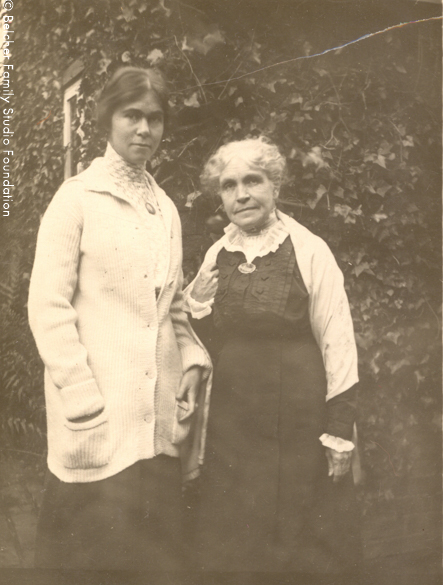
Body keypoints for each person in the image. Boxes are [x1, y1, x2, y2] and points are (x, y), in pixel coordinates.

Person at [28, 67, 211, 571]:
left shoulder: (166, 210)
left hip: (155, 430)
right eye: (132, 115)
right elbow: (48, 307)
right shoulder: (76, 199)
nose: (144, 130)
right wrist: (83, 398)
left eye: (155, 119)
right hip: (99, 418)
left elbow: (172, 307)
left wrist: (193, 360)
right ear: (107, 118)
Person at [184, 136, 361, 575]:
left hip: (297, 420)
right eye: (229, 185)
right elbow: (203, 342)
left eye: (252, 180)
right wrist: (198, 308)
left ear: (274, 186)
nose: (241, 194)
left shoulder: (308, 248)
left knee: (295, 540)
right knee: (235, 539)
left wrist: (339, 429)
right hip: (233, 424)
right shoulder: (215, 255)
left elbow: (338, 339)